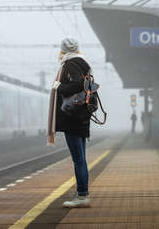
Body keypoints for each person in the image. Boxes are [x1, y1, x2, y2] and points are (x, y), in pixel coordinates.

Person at [47, 37, 92, 208]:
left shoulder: (71, 64)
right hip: (81, 116)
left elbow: (77, 84)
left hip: (72, 116)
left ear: (63, 50)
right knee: (81, 158)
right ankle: (82, 193)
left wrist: (59, 87)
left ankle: (82, 196)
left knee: (78, 159)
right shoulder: (84, 63)